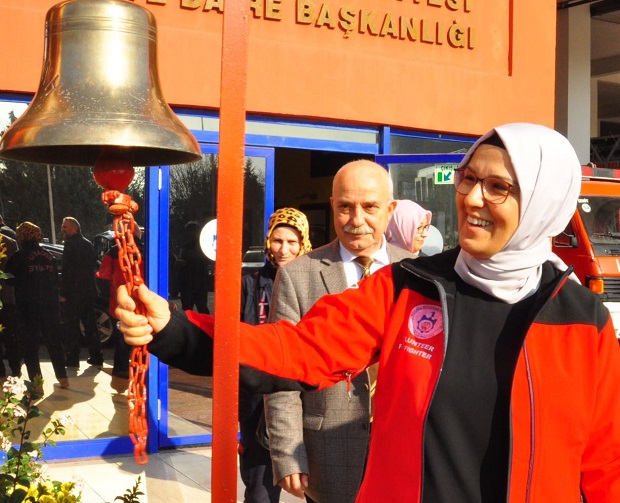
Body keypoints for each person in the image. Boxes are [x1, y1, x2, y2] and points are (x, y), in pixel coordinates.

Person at [117, 123, 620, 502]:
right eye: (467, 179)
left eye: (498, 187)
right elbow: (300, 350)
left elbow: (605, 464)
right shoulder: (412, 286)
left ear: (542, 204)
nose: (471, 198)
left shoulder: (582, 319)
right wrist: (177, 330)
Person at [263, 160, 414, 503]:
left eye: (370, 207)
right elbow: (281, 372)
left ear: (390, 210)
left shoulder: (417, 273)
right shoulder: (299, 276)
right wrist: (288, 453)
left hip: (403, 454)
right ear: (333, 206)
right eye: (345, 206)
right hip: (327, 454)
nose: (356, 220)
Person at [239, 207, 312, 503]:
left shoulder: (316, 283)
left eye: (292, 242)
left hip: (305, 394)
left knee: (316, 484)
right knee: (259, 488)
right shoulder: (250, 283)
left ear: (304, 243)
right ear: (268, 241)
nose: (284, 250)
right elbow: (238, 338)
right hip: (258, 397)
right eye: (278, 241)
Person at [6, 222, 68, 391]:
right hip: (50, 305)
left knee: (30, 346)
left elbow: (8, 279)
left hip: (27, 306)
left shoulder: (19, 257)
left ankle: (36, 384)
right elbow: (56, 279)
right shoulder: (49, 255)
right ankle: (63, 378)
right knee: (54, 342)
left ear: (21, 237)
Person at [96, 226, 144, 379]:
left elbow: (102, 277)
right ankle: (141, 371)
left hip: (120, 304)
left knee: (121, 341)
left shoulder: (113, 252)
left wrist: (111, 294)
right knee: (142, 341)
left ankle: (120, 372)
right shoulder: (146, 251)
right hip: (142, 303)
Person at [59, 217, 104, 369]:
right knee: (90, 325)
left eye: (65, 227)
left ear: (74, 228)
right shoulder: (87, 244)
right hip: (88, 291)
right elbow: (93, 265)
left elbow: (67, 270)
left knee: (71, 326)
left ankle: (72, 358)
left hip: (73, 292)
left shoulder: (70, 245)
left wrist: (63, 292)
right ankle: (97, 356)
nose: (63, 229)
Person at [176, 221, 210, 314]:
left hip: (196, 282)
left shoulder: (202, 246)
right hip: (189, 283)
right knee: (190, 308)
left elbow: (200, 261)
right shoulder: (186, 245)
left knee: (200, 307)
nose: (188, 233)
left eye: (190, 231)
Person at [0, 233, 22, 377]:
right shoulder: (10, 242)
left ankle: (1, 369)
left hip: (6, 296)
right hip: (8, 296)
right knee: (11, 335)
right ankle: (15, 367)